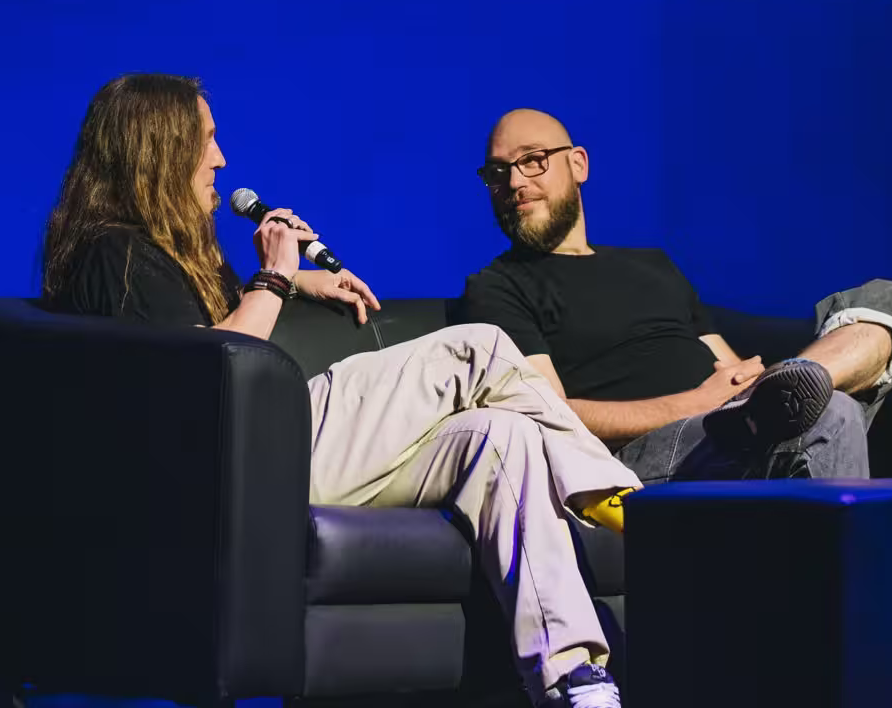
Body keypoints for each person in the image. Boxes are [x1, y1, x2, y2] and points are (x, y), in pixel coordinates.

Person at [42, 75, 640, 708]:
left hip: (268, 457)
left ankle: (574, 681)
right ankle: (639, 515)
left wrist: (299, 281)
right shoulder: (117, 251)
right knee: (479, 348)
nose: (220, 158)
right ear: (159, 148)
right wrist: (275, 276)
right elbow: (202, 374)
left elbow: (202, 326)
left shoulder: (165, 250)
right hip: (240, 467)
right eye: (206, 139)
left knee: (502, 436)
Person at [460, 108, 892, 484]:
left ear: (578, 164)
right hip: (635, 457)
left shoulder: (652, 265)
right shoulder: (495, 287)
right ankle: (788, 399)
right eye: (498, 172)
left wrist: (749, 388)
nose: (515, 182)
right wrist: (696, 404)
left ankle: (796, 384)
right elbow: (549, 414)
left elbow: (726, 363)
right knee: (832, 412)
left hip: (733, 422)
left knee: (888, 298)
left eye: (533, 160)